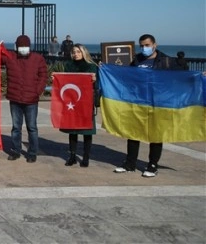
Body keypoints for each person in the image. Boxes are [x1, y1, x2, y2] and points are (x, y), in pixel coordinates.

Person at [115, 34, 187, 177]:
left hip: (158, 102)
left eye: (147, 45)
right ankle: (130, 163)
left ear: (155, 45)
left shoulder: (166, 61)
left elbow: (183, 75)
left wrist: (200, 75)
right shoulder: (136, 60)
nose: (144, 48)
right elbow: (127, 76)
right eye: (141, 45)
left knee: (155, 133)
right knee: (133, 133)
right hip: (138, 101)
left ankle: (152, 165)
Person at [0, 35, 48, 163]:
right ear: (16, 46)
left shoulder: (38, 59)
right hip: (15, 99)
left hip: (31, 100)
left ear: (29, 46)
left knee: (32, 127)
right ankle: (16, 151)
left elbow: (44, 75)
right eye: (20, 46)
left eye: (25, 46)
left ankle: (32, 152)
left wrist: (37, 91)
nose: (23, 49)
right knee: (16, 127)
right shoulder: (10, 57)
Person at [58, 44, 99, 167]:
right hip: (72, 102)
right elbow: (65, 82)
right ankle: (72, 156)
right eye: (74, 52)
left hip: (86, 102)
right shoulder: (69, 65)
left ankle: (86, 157)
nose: (76, 54)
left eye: (78, 52)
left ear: (83, 52)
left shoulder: (92, 66)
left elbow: (96, 85)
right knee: (73, 130)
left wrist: (95, 79)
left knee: (87, 132)